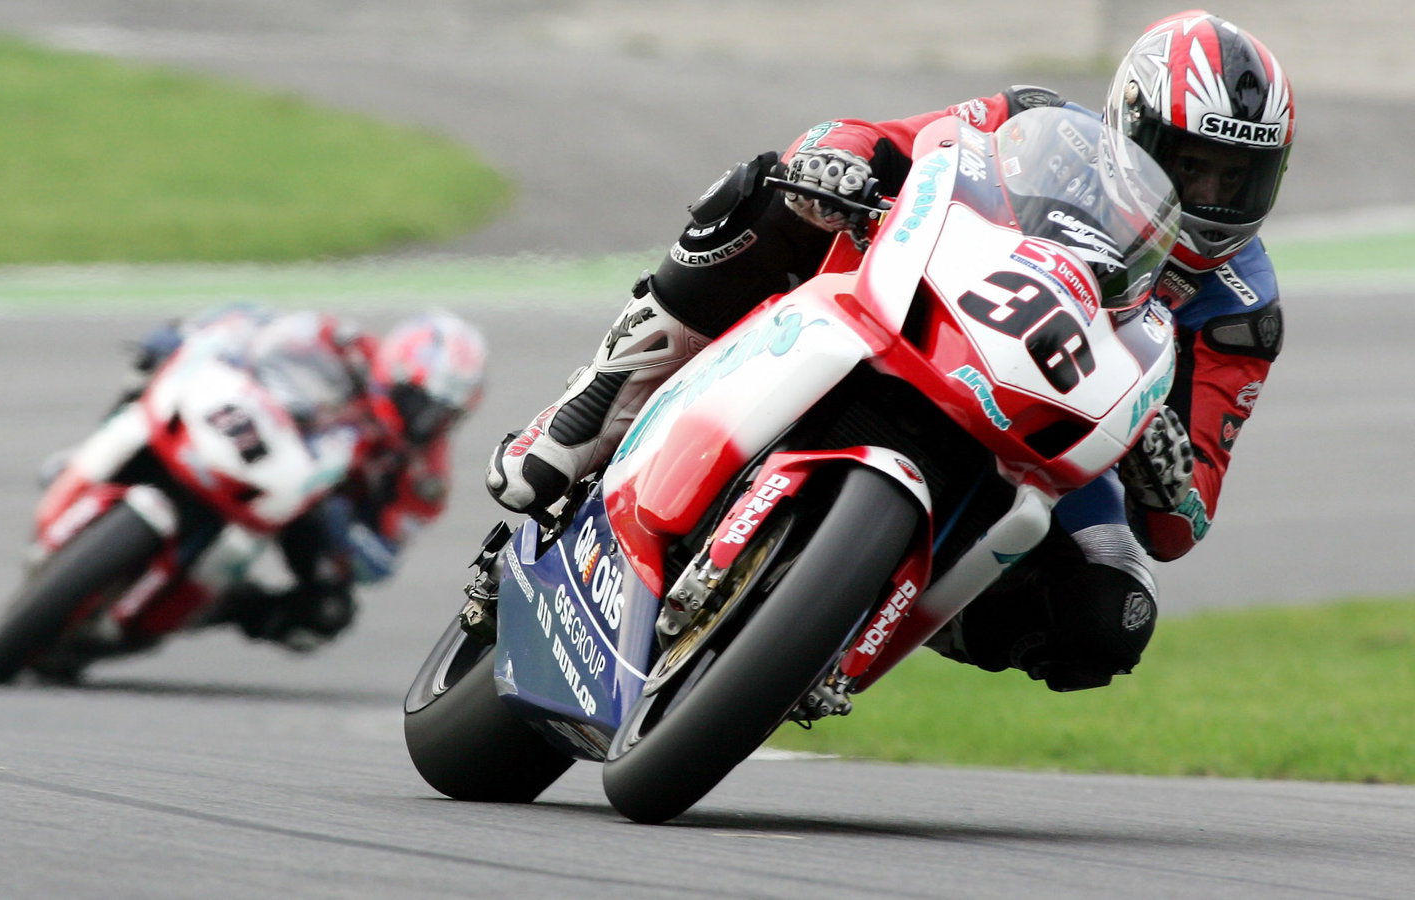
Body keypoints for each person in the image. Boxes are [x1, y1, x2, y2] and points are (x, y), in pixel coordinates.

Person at [485, 10, 1292, 690]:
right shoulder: (1036, 126)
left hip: (1044, 430)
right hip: (911, 310)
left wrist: (1169, 474)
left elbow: (1184, 520)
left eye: (1238, 178)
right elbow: (885, 139)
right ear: (1133, 125)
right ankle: (599, 398)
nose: (1210, 196)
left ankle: (869, 609)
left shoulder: (1240, 309)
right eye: (1193, 166)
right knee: (767, 191)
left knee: (1112, 612)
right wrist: (838, 158)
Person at [126, 304, 488, 652]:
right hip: (251, 430)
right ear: (394, 368)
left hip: (303, 510)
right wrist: (191, 335)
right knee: (159, 372)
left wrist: (342, 527)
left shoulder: (426, 478)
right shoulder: (340, 342)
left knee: (326, 614)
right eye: (418, 402)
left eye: (441, 416)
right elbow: (253, 325)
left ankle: (219, 607)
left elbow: (382, 561)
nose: (423, 421)